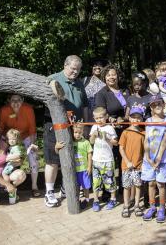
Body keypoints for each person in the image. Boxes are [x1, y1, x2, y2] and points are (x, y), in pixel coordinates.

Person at [44, 55, 88, 207]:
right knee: (52, 159)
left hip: (74, 126)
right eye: (73, 68)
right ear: (65, 65)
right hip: (54, 125)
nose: (75, 72)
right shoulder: (52, 79)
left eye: (78, 70)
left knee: (70, 157)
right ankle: (49, 192)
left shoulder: (79, 83)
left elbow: (84, 104)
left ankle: (65, 188)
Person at [0, 94, 40, 197]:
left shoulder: (28, 109)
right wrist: (4, 144)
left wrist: (33, 144)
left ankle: (34, 186)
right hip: (8, 136)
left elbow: (32, 129)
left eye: (18, 100)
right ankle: (3, 183)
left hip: (25, 135)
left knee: (33, 156)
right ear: (9, 101)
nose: (16, 103)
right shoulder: (4, 110)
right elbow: (1, 129)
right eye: (13, 100)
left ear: (22, 100)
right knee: (2, 155)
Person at [141, 95, 166, 223]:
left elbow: (165, 140)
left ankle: (161, 208)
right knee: (151, 183)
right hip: (149, 158)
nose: (157, 106)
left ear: (163, 105)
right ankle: (152, 206)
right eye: (154, 105)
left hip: (162, 158)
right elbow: (147, 140)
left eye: (159, 103)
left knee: (160, 184)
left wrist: (159, 158)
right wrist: (148, 157)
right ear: (151, 107)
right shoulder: (148, 120)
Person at [55, 124, 92, 209]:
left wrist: (89, 167)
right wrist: (57, 148)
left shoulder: (86, 142)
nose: (77, 134)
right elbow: (59, 152)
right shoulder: (70, 142)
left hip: (84, 170)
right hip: (74, 170)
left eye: (79, 132)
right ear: (72, 132)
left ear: (83, 132)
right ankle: (77, 200)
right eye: (75, 132)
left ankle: (86, 200)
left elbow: (89, 155)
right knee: (76, 186)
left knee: (85, 186)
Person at [89, 107, 118, 212]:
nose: (99, 120)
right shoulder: (93, 127)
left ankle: (113, 198)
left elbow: (115, 142)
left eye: (101, 117)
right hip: (96, 160)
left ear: (106, 117)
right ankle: (96, 200)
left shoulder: (110, 128)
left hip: (107, 160)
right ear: (94, 118)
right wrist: (93, 135)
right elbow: (91, 142)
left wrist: (108, 138)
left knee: (110, 181)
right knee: (96, 182)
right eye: (96, 118)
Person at [118, 107, 145, 218]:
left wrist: (142, 163)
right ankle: (126, 205)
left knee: (138, 186)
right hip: (126, 166)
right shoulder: (125, 132)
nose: (136, 120)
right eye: (133, 117)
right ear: (129, 118)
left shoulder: (143, 133)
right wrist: (127, 161)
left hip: (138, 165)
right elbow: (121, 148)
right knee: (127, 187)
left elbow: (144, 150)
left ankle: (137, 205)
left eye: (138, 118)